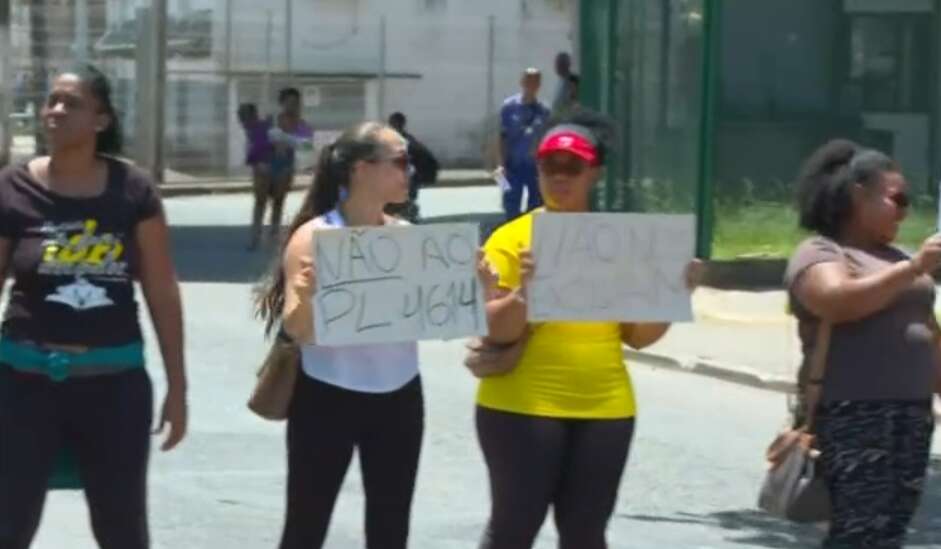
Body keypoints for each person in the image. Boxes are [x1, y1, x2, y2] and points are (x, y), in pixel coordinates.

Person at [477, 110, 702, 549]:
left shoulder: (619, 241)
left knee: (585, 534)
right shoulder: (511, 238)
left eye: (572, 168)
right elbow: (495, 332)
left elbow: (637, 336)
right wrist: (526, 292)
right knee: (512, 530)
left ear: (594, 173)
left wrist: (675, 296)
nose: (559, 178)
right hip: (522, 406)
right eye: (549, 167)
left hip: (605, 408)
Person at [0, 64, 187, 549]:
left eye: (72, 102)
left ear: (101, 120)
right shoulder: (13, 189)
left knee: (122, 530)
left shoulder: (133, 191)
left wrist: (178, 386)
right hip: (23, 384)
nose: (56, 111)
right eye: (52, 101)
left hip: (115, 389)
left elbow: (162, 291)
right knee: (9, 525)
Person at [255, 121, 424, 549]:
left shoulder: (406, 237)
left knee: (391, 528)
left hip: (399, 394)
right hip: (328, 393)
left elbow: (429, 314)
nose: (410, 172)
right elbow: (298, 330)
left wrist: (474, 288)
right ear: (362, 169)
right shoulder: (315, 237)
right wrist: (308, 298)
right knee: (306, 524)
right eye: (401, 162)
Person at [786, 139, 941, 548]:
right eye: (898, 199)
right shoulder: (821, 252)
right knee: (858, 532)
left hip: (911, 415)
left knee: (889, 532)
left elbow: (925, 332)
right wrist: (914, 268)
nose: (906, 210)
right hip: (855, 414)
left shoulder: (897, 257)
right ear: (858, 195)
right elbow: (836, 301)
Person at [497, 68, 550, 220]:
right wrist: (500, 165)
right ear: (521, 82)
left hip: (534, 166)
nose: (531, 85)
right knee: (510, 203)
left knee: (536, 205)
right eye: (528, 80)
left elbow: (546, 139)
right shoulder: (509, 107)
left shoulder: (544, 111)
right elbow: (501, 136)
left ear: (539, 85)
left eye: (535, 81)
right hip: (512, 165)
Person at [266, 88, 313, 247]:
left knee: (279, 198)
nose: (292, 106)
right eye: (289, 102)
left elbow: (307, 146)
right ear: (282, 103)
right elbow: (264, 139)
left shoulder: (301, 124)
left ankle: (274, 229)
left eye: (296, 103)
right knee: (264, 198)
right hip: (267, 163)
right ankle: (259, 231)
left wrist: (286, 140)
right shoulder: (273, 120)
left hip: (286, 165)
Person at [386, 111, 439, 223]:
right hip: (408, 182)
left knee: (401, 205)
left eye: (392, 123)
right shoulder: (407, 139)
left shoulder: (401, 142)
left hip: (407, 182)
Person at [237, 103, 275, 250]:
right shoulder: (254, 129)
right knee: (263, 204)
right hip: (261, 168)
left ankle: (262, 238)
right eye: (241, 118)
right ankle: (259, 237)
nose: (242, 122)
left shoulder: (259, 129)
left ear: (252, 116)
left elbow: (261, 149)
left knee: (263, 204)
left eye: (244, 118)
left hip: (266, 168)